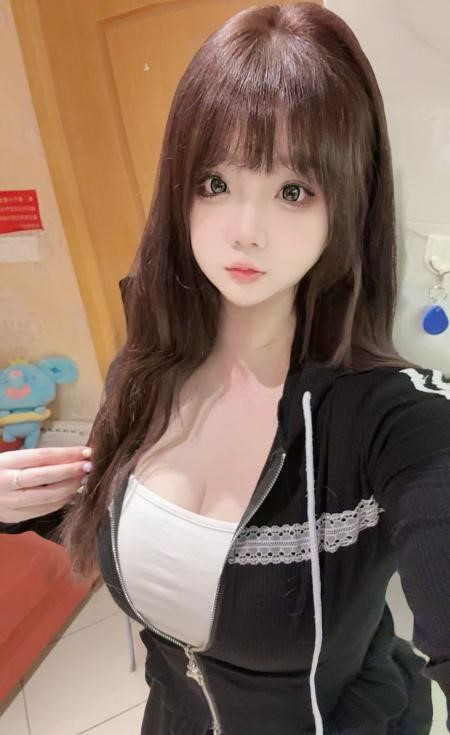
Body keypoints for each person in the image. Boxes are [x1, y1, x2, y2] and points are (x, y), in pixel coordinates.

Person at [1, 3, 449, 734]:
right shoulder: (143, 368)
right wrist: (28, 503)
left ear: (347, 203)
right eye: (214, 182)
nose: (246, 230)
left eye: (293, 191)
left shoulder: (390, 419)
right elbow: (143, 524)